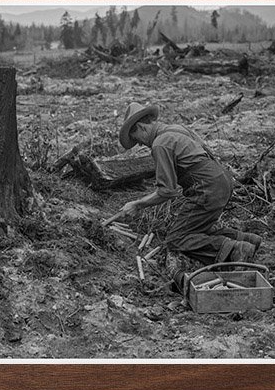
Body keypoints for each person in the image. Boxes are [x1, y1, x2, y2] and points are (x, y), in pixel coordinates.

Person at [111, 101, 262, 288]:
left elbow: (167, 191)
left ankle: (235, 250)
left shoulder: (160, 144)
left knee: (176, 239)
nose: (142, 144)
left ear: (141, 127)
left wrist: (137, 204)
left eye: (139, 140)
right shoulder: (176, 129)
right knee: (196, 230)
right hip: (221, 180)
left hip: (207, 187)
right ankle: (247, 239)